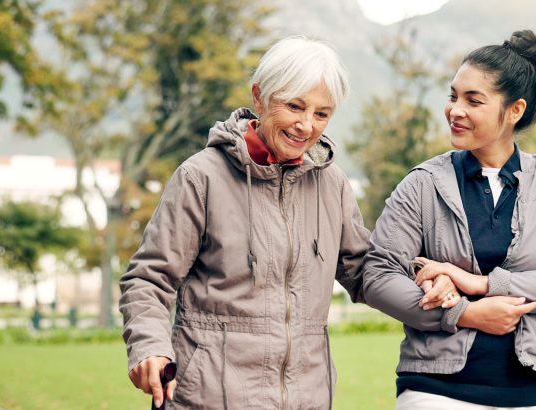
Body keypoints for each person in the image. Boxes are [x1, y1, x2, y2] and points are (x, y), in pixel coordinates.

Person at [119, 35, 373, 409]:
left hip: (308, 399)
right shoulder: (200, 177)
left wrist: (429, 275)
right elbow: (148, 278)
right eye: (294, 106)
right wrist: (149, 346)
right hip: (210, 398)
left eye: (321, 114)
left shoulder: (331, 184)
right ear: (259, 97)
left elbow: (366, 273)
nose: (306, 125)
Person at [362, 30, 536, 409]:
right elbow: (377, 275)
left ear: (514, 111)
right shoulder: (421, 184)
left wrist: (483, 283)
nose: (455, 110)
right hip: (435, 391)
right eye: (453, 96)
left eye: (474, 101)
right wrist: (464, 313)